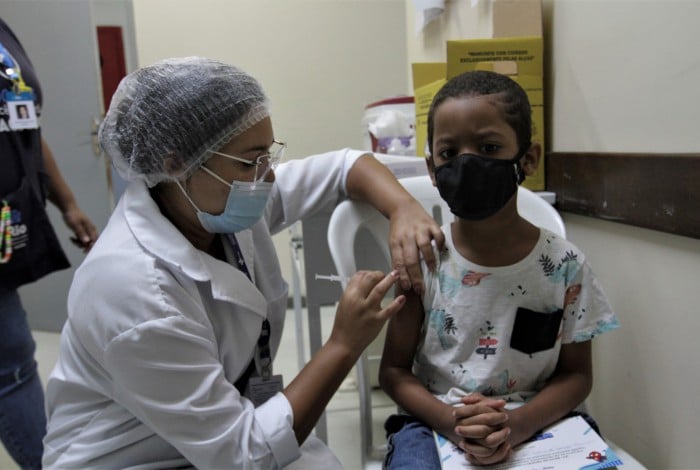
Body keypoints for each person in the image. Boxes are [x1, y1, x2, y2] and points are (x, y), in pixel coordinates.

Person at [41, 56, 444, 469]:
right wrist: (344, 344)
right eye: (250, 161)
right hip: (132, 459)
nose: (267, 177)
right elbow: (242, 457)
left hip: (217, 432)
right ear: (174, 164)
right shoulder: (134, 291)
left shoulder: (213, 202)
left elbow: (345, 166)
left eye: (267, 156)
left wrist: (403, 208)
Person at [379, 70, 620, 468]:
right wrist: (452, 422)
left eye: (489, 147)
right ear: (432, 169)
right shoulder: (423, 261)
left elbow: (577, 376)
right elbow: (393, 370)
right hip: (435, 420)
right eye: (448, 153)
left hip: (538, 419)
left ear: (528, 159)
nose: (467, 162)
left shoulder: (564, 266)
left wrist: (518, 424)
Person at [0, 17, 98, 469]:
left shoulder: (4, 32)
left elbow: (27, 128)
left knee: (14, 362)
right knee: (13, 364)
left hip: (12, 222)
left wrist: (67, 202)